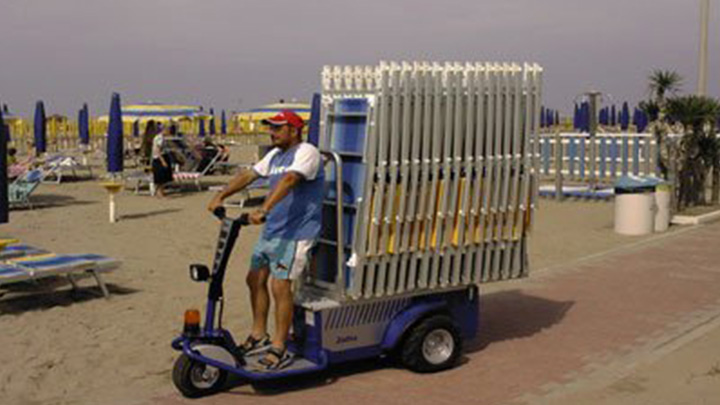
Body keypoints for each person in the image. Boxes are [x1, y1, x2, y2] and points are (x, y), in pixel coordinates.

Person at [207, 110, 324, 370]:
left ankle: (280, 346)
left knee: (279, 286)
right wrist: (221, 196)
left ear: (294, 130)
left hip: (297, 234)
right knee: (254, 279)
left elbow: (291, 179)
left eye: (278, 128)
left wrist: (264, 209)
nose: (272, 132)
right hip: (272, 231)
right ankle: (259, 334)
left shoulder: (307, 152)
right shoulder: (275, 155)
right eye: (271, 127)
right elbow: (249, 175)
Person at [151, 124, 173, 197]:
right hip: (159, 158)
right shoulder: (159, 138)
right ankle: (159, 192)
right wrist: (163, 161)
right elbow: (157, 150)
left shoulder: (162, 138)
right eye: (168, 130)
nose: (169, 131)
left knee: (163, 176)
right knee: (160, 176)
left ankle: (161, 191)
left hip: (160, 157)